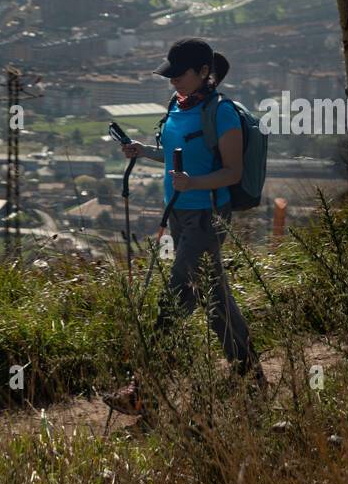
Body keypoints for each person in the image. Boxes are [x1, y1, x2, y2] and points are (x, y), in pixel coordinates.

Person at [106, 37, 265, 416]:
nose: (173, 80)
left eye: (181, 74)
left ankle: (143, 391)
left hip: (208, 217)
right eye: (171, 73)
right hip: (178, 214)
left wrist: (192, 183)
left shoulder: (221, 112)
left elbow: (232, 172)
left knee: (175, 298)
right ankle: (251, 376)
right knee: (215, 300)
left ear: (204, 73)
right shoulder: (176, 108)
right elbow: (174, 158)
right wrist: (144, 151)